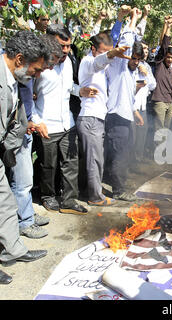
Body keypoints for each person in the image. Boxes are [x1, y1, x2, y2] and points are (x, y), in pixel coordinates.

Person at [0, 31, 49, 285]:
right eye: (36, 70)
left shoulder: (13, 80)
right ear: (20, 59)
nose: (37, 76)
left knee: (6, 203)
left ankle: (13, 250)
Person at [32, 24, 96, 215]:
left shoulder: (68, 63)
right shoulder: (38, 63)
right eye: (62, 45)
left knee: (71, 163)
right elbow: (28, 96)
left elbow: (69, 87)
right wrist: (36, 120)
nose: (66, 50)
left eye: (69, 46)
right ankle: (48, 196)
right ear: (49, 40)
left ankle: (68, 200)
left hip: (67, 123)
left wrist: (80, 91)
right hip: (46, 124)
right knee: (48, 165)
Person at [6, 34, 62, 240]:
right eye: (42, 67)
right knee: (21, 180)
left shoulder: (25, 73)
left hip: (25, 127)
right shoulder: (18, 73)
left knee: (25, 178)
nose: (41, 73)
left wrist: (30, 122)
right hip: (17, 131)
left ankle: (26, 212)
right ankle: (24, 221)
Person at [77, 31, 131, 206]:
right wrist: (110, 54)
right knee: (94, 160)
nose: (106, 56)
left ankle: (92, 193)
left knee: (97, 159)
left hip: (97, 118)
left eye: (108, 51)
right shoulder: (88, 62)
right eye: (102, 51)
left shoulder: (102, 65)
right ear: (93, 49)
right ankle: (95, 197)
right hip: (90, 118)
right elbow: (98, 62)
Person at [105, 8, 146, 202]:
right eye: (133, 58)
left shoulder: (132, 72)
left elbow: (129, 98)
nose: (135, 62)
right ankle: (118, 190)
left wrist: (135, 112)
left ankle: (116, 184)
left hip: (126, 116)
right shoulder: (119, 65)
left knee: (123, 152)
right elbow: (125, 43)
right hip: (116, 117)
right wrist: (132, 19)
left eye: (138, 60)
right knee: (119, 154)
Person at [151, 16, 172, 142]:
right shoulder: (159, 65)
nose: (170, 59)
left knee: (166, 129)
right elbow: (164, 46)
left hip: (169, 102)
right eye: (168, 57)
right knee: (159, 129)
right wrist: (168, 27)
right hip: (159, 101)